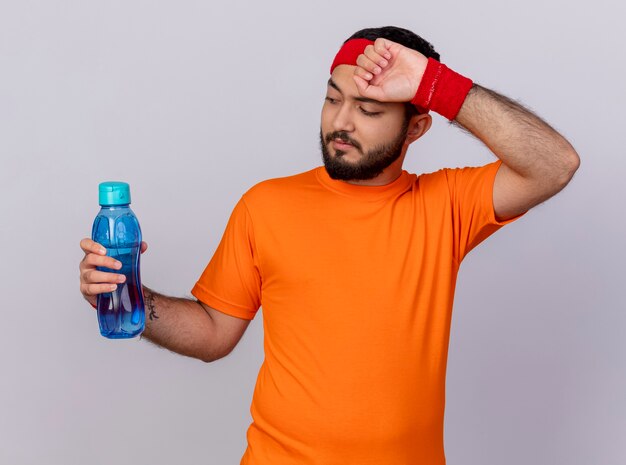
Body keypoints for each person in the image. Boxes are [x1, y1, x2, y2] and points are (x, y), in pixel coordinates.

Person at [79, 26, 579, 464]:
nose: (341, 121)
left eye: (369, 108)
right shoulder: (266, 205)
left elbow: (554, 164)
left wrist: (434, 85)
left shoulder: (445, 204)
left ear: (417, 127)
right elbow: (213, 333)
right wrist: (127, 296)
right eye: (333, 98)